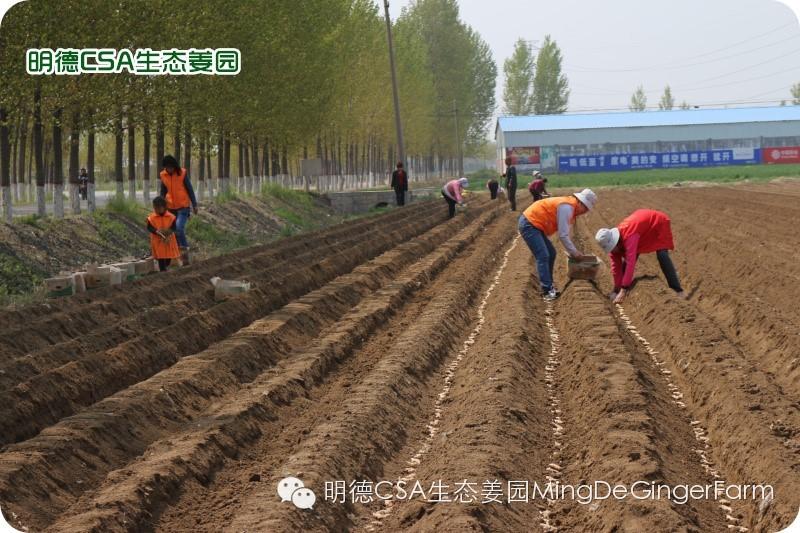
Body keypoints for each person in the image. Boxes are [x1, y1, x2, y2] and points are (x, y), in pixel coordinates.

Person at [518, 189, 597, 300]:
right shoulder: (567, 207)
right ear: (580, 202)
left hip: (535, 224)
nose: (585, 212)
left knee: (551, 253)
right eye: (585, 209)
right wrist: (574, 253)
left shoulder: (570, 206)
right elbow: (563, 235)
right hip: (530, 223)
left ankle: (549, 285)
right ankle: (547, 290)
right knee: (543, 255)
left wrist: (573, 250)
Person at [595, 209, 686, 304]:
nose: (612, 250)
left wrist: (624, 289)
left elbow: (631, 262)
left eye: (612, 247)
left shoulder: (629, 236)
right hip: (642, 228)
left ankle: (678, 290)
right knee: (627, 258)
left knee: (662, 255)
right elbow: (615, 267)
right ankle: (621, 287)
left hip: (658, 222)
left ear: (615, 241)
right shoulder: (613, 249)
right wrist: (616, 289)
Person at [159, 155, 198, 265]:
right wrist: (161, 204)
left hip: (183, 206)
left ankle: (185, 250)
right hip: (170, 208)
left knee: (179, 228)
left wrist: (194, 204)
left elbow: (190, 189)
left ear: (175, 166)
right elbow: (163, 191)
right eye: (167, 167)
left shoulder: (182, 173)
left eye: (171, 167)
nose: (169, 169)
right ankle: (179, 256)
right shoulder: (163, 175)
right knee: (173, 233)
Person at [147, 196, 180, 272]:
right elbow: (149, 227)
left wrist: (169, 232)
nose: (157, 210)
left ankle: (166, 266)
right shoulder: (151, 217)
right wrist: (156, 231)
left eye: (159, 208)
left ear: (164, 207)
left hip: (168, 239)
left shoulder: (171, 217)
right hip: (157, 240)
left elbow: (174, 227)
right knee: (160, 256)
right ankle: (162, 271)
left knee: (169, 255)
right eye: (155, 208)